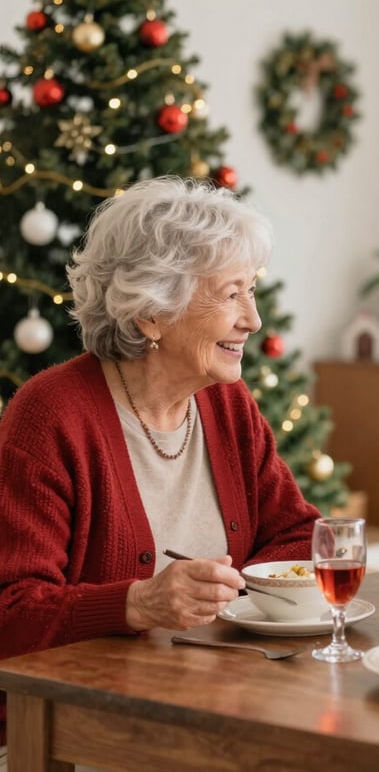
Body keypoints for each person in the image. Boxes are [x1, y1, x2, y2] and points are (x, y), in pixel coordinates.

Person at [0, 177, 322, 757]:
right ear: (151, 313)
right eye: (230, 295)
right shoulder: (50, 416)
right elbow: (11, 612)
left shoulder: (226, 404)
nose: (252, 318)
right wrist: (139, 603)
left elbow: (298, 534)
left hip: (210, 706)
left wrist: (231, 591)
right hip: (70, 729)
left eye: (253, 291)